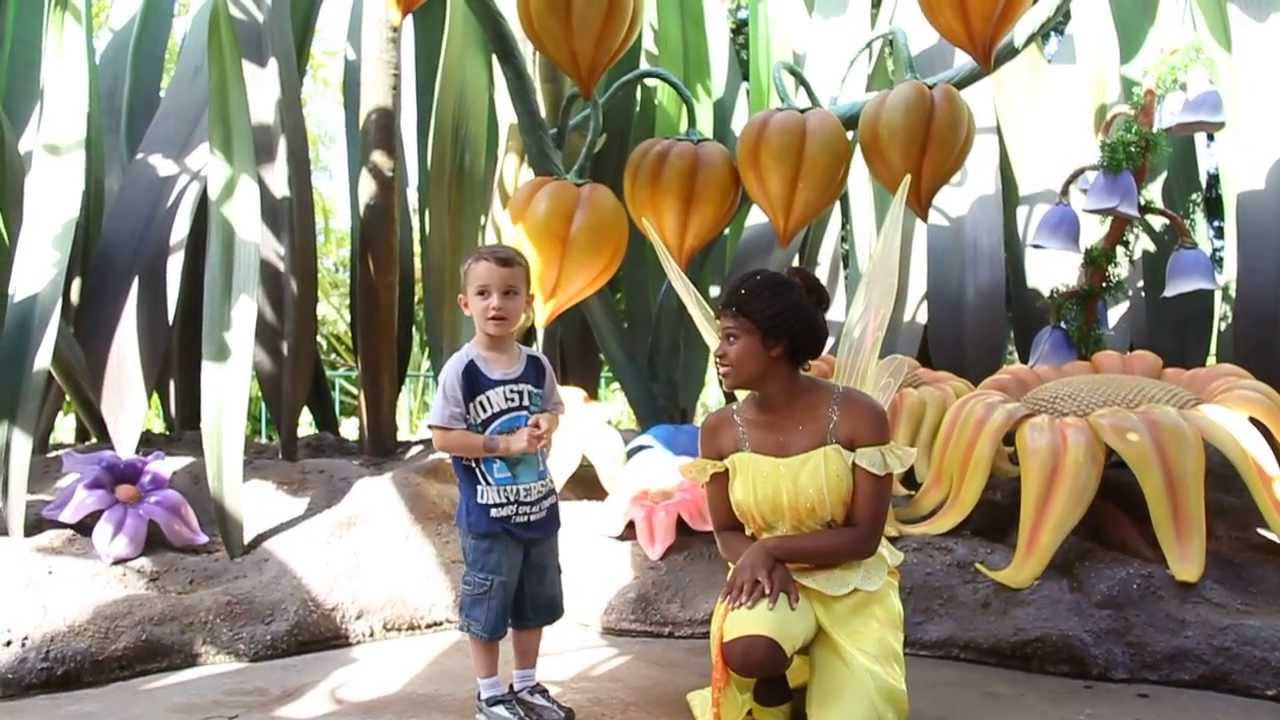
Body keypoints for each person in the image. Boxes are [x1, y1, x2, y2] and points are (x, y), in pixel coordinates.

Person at [682, 268, 914, 720]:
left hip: (852, 586)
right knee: (751, 649)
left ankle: (832, 675)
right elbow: (727, 530)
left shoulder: (859, 416)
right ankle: (775, 687)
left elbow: (864, 537)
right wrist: (764, 561)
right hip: (771, 580)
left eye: (731, 338)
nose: (719, 352)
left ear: (775, 344)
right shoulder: (719, 431)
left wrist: (771, 549)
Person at [428, 245, 575, 720]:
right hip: (489, 516)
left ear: (526, 302)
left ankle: (527, 686)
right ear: (465, 303)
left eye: (510, 293)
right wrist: (504, 447)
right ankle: (489, 693)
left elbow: (553, 410)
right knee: (488, 607)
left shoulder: (536, 364)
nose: (498, 304)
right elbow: (445, 437)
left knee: (535, 601)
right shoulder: (462, 370)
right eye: (485, 293)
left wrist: (544, 428)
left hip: (537, 510)